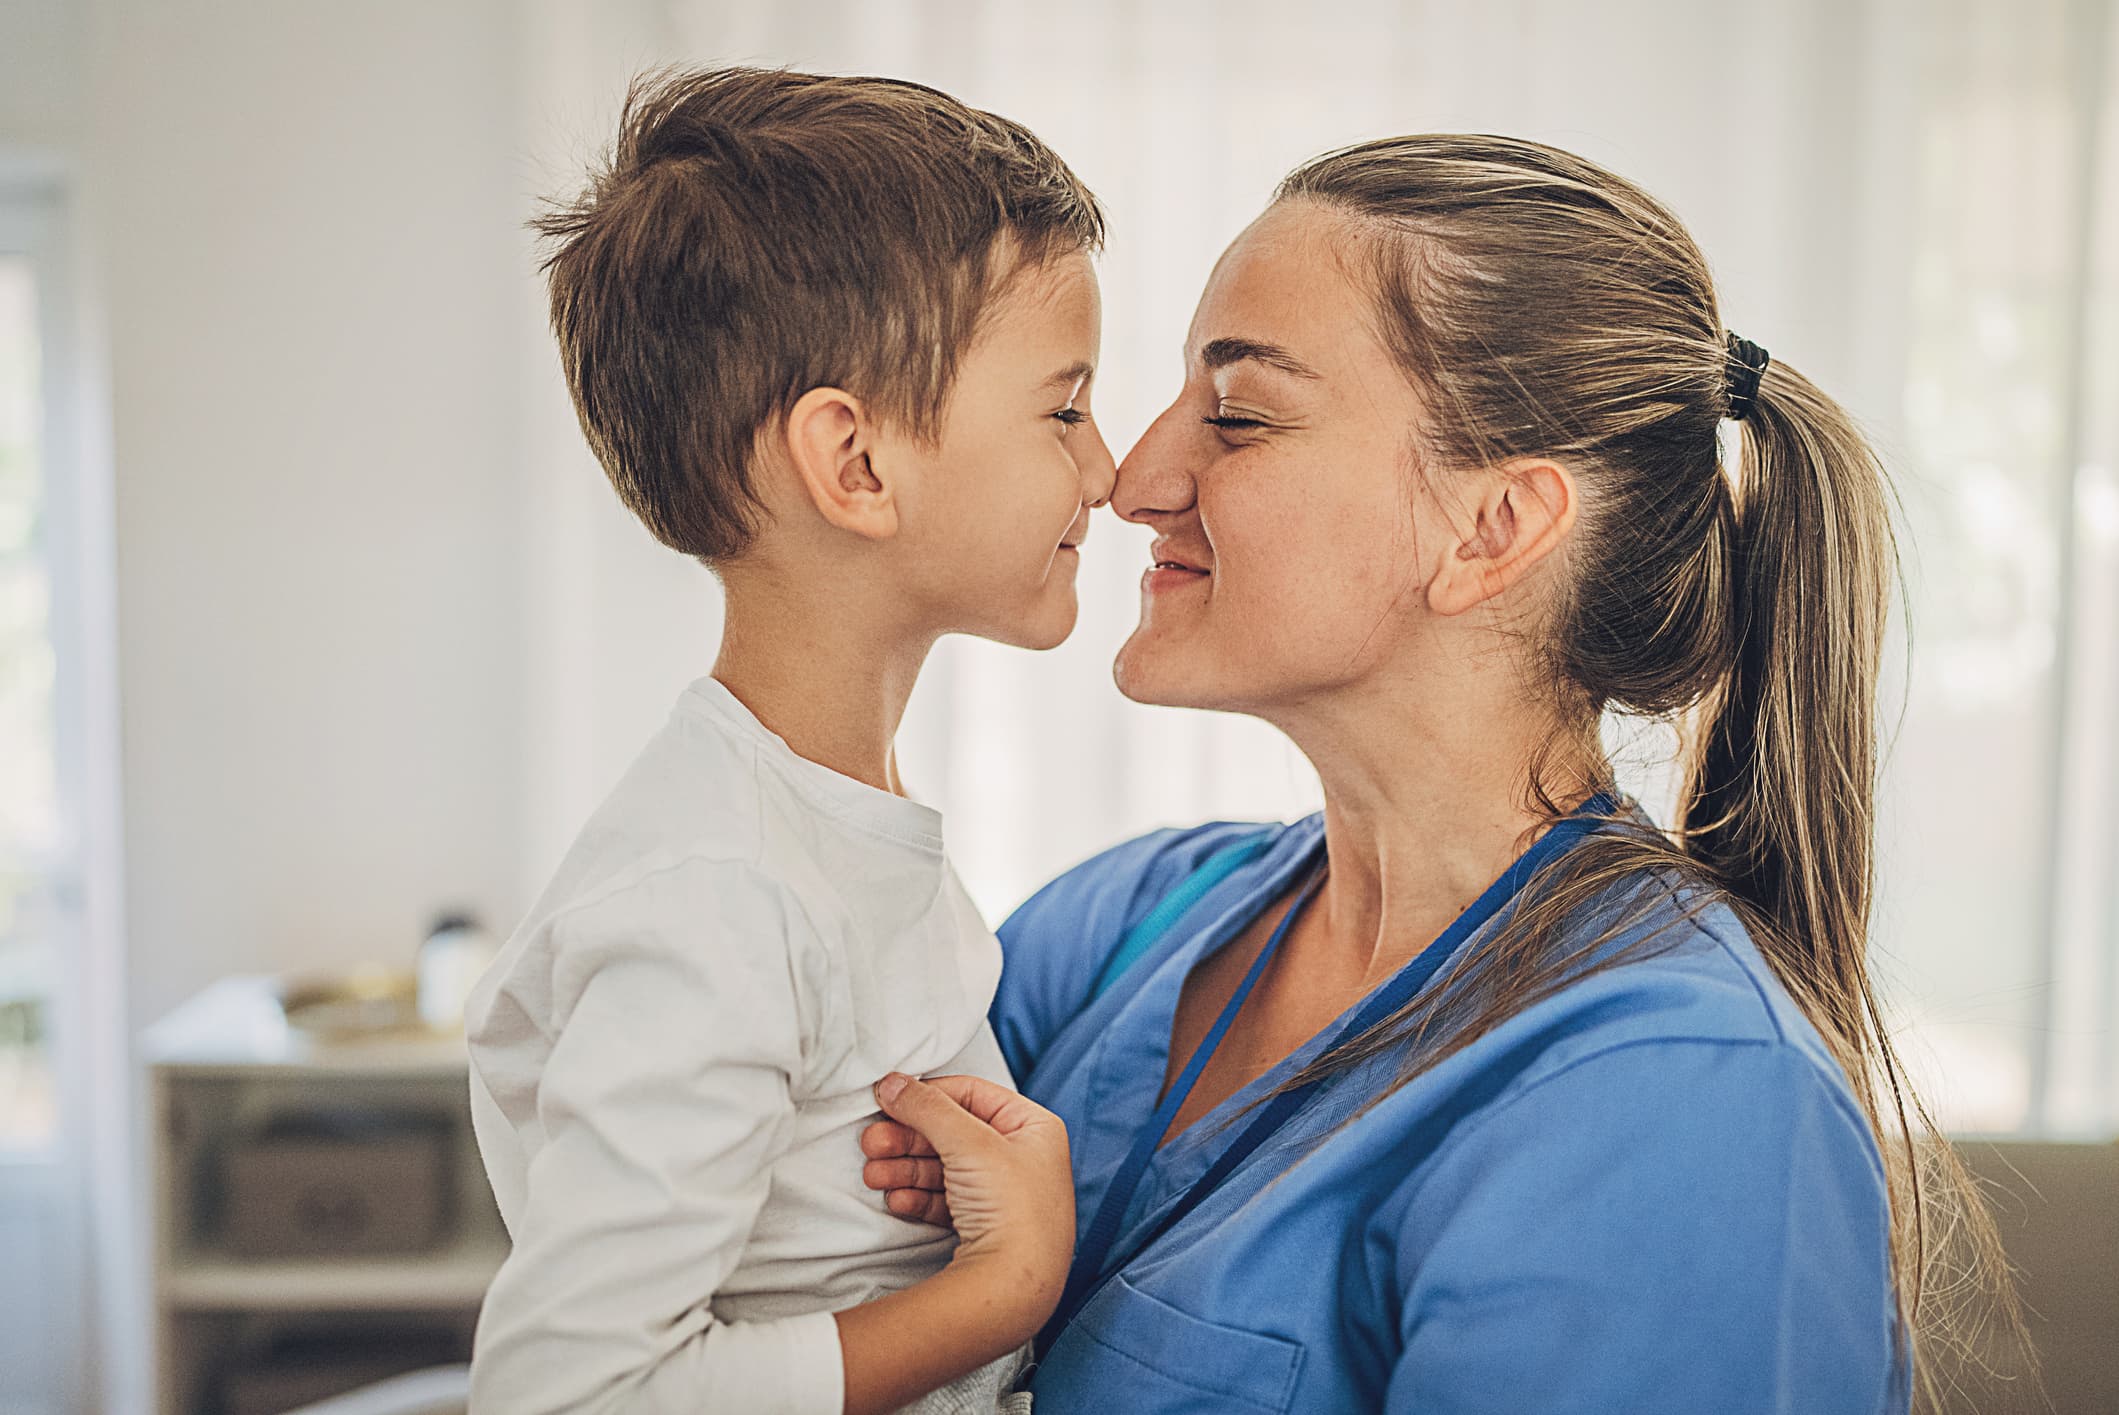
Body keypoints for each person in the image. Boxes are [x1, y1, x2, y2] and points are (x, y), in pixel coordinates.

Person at [863, 135, 2018, 1412]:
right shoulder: (1125, 919)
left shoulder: (1684, 1107)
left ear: (1493, 528)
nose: (1135, 480)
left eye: (1237, 417)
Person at [464, 67, 1114, 1415]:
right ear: (857, 464)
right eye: (1061, 407)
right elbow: (566, 1391)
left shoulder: (835, 835)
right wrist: (995, 1291)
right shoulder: (719, 893)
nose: (1104, 467)